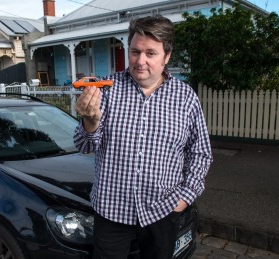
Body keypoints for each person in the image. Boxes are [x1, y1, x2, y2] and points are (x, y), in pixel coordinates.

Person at [73, 15, 213, 259]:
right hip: (111, 209)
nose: (140, 61)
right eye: (135, 51)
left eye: (151, 53)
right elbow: (83, 145)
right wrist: (90, 121)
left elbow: (200, 152)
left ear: (167, 56)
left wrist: (186, 195)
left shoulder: (185, 97)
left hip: (162, 210)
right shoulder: (107, 89)